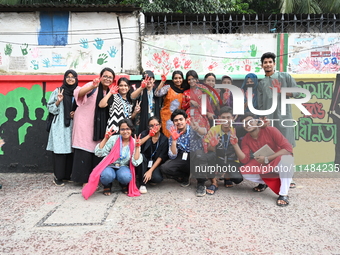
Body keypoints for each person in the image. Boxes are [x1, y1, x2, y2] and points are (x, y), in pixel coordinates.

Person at [231, 113, 294, 206]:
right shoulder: (246, 139)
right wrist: (235, 145)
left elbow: (288, 148)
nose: (247, 124)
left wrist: (268, 158)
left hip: (277, 161)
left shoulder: (271, 130)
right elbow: (244, 160)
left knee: (287, 160)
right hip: (263, 164)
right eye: (244, 123)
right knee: (245, 172)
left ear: (257, 121)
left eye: (250, 121)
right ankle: (269, 182)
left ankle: (283, 194)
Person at [258, 52, 299, 187]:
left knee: (286, 147)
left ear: (274, 64)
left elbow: (298, 93)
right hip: (269, 119)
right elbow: (260, 103)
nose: (268, 64)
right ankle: (268, 178)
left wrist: (282, 91)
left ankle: (288, 178)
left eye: (270, 62)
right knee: (268, 148)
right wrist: (262, 118)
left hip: (284, 118)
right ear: (262, 65)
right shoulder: (261, 83)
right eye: (265, 62)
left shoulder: (285, 77)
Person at [72, 67, 115, 186]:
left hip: (98, 126)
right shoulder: (93, 85)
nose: (107, 79)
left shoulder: (109, 92)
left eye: (110, 77)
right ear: (100, 76)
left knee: (96, 150)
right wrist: (92, 86)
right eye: (105, 76)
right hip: (84, 123)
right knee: (84, 150)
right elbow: (78, 93)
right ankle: (83, 180)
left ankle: (94, 178)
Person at [82, 119, 142, 199]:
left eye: (127, 129)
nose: (125, 131)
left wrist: (137, 148)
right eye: (122, 129)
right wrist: (106, 138)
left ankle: (123, 184)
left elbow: (135, 162)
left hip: (123, 166)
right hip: (110, 165)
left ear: (131, 129)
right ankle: (107, 186)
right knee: (107, 176)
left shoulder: (135, 142)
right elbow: (99, 153)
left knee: (126, 177)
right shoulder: (114, 139)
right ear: (119, 130)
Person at [46, 70, 78, 186]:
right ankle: (58, 177)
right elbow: (50, 109)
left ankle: (66, 176)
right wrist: (58, 102)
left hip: (73, 125)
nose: (70, 79)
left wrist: (76, 112)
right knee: (60, 151)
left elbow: (82, 107)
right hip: (60, 125)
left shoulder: (77, 92)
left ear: (76, 78)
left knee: (70, 151)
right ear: (64, 78)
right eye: (68, 77)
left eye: (72, 77)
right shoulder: (58, 91)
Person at [204, 106, 243, 195]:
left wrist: (235, 143)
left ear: (233, 118)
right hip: (218, 159)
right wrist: (212, 145)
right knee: (209, 156)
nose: (226, 120)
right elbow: (209, 149)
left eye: (228, 117)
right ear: (219, 119)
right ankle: (214, 183)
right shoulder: (214, 130)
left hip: (232, 160)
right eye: (223, 118)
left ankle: (227, 177)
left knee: (238, 179)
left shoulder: (237, 130)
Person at [160, 109, 203, 188]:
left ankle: (201, 184)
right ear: (173, 123)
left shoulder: (194, 129)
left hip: (195, 156)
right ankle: (184, 176)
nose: (179, 122)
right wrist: (174, 140)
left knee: (199, 156)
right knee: (165, 168)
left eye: (181, 119)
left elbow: (204, 132)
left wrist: (197, 128)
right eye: (176, 120)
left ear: (186, 120)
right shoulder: (173, 134)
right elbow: (173, 156)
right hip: (182, 156)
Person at [135, 116, 168, 194]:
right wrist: (149, 135)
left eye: (156, 125)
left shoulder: (164, 139)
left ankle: (148, 176)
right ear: (148, 127)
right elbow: (138, 143)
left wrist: (150, 171)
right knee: (141, 156)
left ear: (160, 125)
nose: (154, 127)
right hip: (143, 161)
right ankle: (142, 184)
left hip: (154, 163)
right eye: (151, 125)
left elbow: (161, 157)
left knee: (157, 178)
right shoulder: (144, 134)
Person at [154, 70, 189, 137]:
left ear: (182, 79)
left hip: (179, 119)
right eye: (175, 78)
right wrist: (162, 82)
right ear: (172, 80)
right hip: (167, 118)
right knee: (167, 137)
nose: (178, 80)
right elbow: (157, 94)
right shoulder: (168, 88)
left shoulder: (185, 91)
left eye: (180, 78)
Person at [182, 70, 214, 134]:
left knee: (202, 132)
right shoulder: (185, 92)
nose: (191, 81)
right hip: (189, 114)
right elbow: (183, 107)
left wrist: (203, 96)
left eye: (193, 79)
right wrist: (190, 102)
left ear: (196, 79)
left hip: (201, 114)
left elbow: (208, 99)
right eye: (189, 79)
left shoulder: (202, 89)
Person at [131, 70, 163, 134]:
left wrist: (163, 81)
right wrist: (142, 87)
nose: (148, 81)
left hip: (154, 118)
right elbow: (132, 97)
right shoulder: (141, 91)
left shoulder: (156, 92)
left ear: (154, 80)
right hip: (142, 121)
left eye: (150, 79)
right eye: (146, 79)